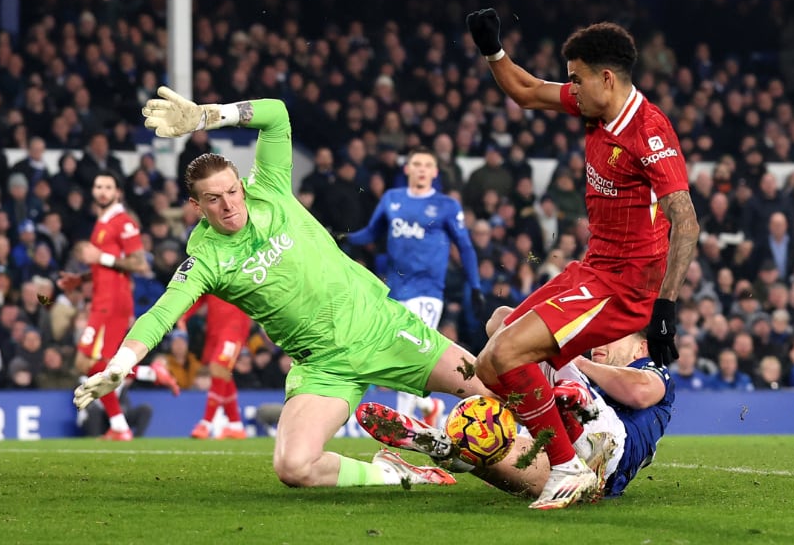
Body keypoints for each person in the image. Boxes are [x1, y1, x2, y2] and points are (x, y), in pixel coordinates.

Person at [75, 89, 576, 496]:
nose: (229, 204)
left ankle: (578, 444)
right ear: (195, 205)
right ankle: (399, 472)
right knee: (294, 466)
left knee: (495, 390)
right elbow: (162, 312)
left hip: (382, 329)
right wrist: (121, 363)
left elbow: (276, 115)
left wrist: (209, 115)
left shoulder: (268, 187)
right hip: (323, 367)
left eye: (232, 191)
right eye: (214, 199)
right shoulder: (206, 258)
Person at [463, 9, 697, 507]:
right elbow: (526, 91)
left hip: (624, 287)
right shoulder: (596, 106)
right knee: (490, 360)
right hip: (592, 270)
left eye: (576, 79)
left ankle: (568, 466)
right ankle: (573, 410)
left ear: (606, 78)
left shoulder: (649, 132)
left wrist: (665, 309)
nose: (570, 88)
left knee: (508, 354)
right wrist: (492, 51)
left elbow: (687, 220)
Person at [358, 306, 674, 501]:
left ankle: (571, 405)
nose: (599, 344)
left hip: (607, 445)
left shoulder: (653, 370)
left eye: (611, 337)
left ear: (641, 346)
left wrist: (571, 358)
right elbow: (498, 321)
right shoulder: (592, 375)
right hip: (592, 481)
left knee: (516, 330)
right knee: (490, 451)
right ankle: (447, 448)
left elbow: (640, 393)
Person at [341, 146, 484, 425]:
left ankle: (403, 423)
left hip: (427, 292)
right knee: (397, 351)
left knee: (410, 353)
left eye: (426, 165)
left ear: (434, 172)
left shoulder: (446, 206)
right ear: (407, 169)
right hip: (393, 290)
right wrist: (345, 238)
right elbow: (372, 232)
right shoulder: (392, 199)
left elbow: (465, 247)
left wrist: (475, 286)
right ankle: (428, 406)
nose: (421, 169)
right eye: (416, 164)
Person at [56, 171, 155, 441]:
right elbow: (105, 267)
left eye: (108, 187)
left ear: (117, 192)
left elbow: (139, 264)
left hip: (112, 303)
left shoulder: (124, 222)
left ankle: (122, 420)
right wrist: (81, 278)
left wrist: (101, 256)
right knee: (97, 362)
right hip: (103, 299)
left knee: (87, 360)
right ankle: (120, 426)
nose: (102, 191)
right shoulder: (102, 223)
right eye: (98, 186)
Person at [180, 293, 253, 439]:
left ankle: (206, 424)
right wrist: (184, 315)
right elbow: (200, 297)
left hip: (234, 327)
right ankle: (236, 426)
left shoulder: (241, 271)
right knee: (223, 375)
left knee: (218, 368)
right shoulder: (212, 272)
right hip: (214, 330)